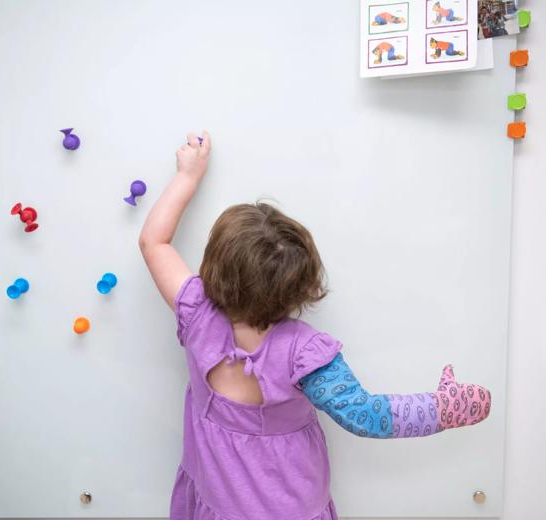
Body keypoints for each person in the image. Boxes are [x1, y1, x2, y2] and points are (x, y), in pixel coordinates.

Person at [138, 132, 492, 519]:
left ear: (215, 269)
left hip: (217, 505)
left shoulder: (197, 313)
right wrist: (445, 407)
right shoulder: (304, 354)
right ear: (300, 285)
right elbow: (367, 415)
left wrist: (188, 176)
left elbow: (154, 242)